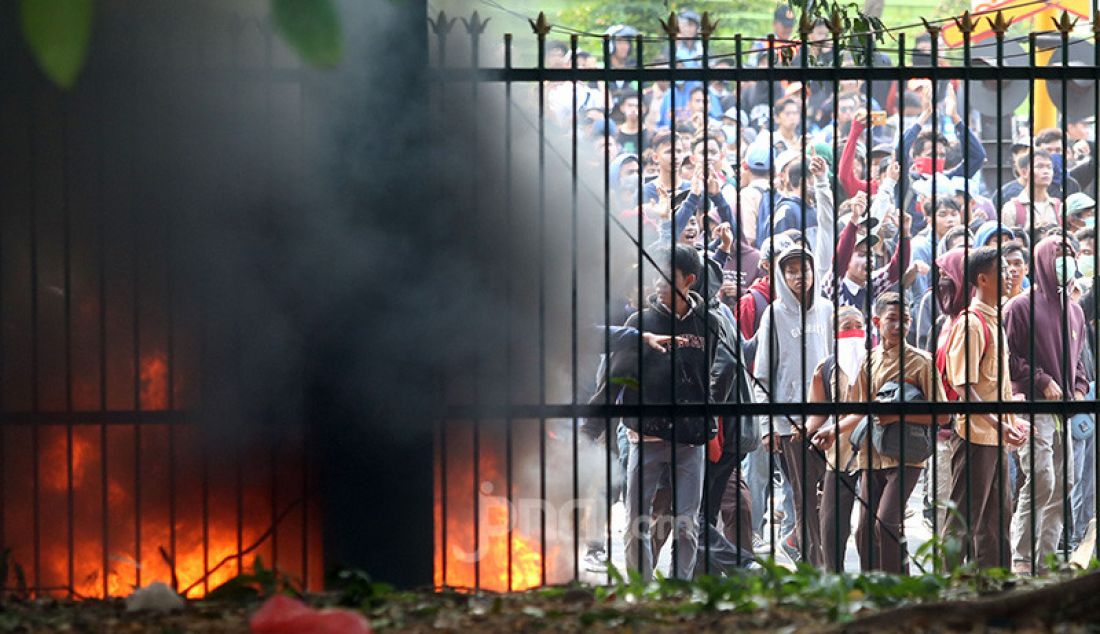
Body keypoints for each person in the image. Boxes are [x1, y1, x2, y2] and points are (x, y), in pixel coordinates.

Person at [613, 245, 733, 581]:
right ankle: (642, 588)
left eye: (667, 276)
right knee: (637, 519)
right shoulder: (640, 322)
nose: (657, 282)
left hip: (690, 435)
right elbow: (620, 374)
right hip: (645, 434)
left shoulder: (708, 323)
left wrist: (705, 420)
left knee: (687, 523)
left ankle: (680, 588)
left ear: (689, 281)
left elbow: (714, 372)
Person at [814, 292, 943, 574]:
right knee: (864, 531)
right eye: (892, 320)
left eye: (905, 320)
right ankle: (875, 588)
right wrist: (834, 431)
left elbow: (943, 415)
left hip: (907, 455)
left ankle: (899, 589)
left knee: (885, 522)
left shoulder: (921, 362)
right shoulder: (869, 361)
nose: (899, 327)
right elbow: (860, 409)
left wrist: (897, 414)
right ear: (877, 322)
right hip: (871, 454)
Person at [1005, 236, 1091, 573]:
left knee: (1064, 483)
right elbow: (1008, 358)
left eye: (1069, 254)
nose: (1065, 260)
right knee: (1041, 478)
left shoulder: (1075, 310)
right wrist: (1041, 380)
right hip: (1034, 406)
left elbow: (1079, 360)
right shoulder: (1020, 307)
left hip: (1063, 410)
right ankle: (1022, 557)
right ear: (1042, 259)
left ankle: (1046, 558)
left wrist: (1079, 388)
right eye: (1058, 254)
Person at [942, 246, 1028, 568]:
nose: (1010, 275)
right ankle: (947, 587)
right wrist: (998, 423)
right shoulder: (972, 324)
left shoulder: (994, 321)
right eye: (1002, 270)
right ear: (982, 278)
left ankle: (995, 588)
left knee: (996, 520)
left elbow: (992, 385)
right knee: (963, 519)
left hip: (994, 435)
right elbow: (963, 387)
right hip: (975, 435)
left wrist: (1010, 416)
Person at [806, 306, 867, 571]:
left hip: (874, 453)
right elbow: (818, 412)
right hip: (839, 454)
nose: (853, 332)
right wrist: (806, 430)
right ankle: (834, 577)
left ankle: (874, 579)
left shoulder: (876, 363)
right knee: (830, 525)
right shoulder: (826, 368)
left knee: (870, 526)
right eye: (846, 327)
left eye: (858, 325)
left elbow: (870, 407)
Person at [1001, 150, 1060, 231]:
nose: (1046, 171)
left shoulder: (1059, 208)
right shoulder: (1012, 209)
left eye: (1049, 167)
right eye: (1039, 166)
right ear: (1024, 172)